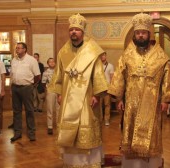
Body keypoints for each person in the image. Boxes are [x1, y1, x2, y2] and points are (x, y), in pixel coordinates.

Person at [107, 13, 170, 168]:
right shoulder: (127, 55)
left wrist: (166, 100)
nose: (141, 35)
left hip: (152, 104)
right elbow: (119, 76)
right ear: (135, 34)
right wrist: (119, 99)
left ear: (149, 34)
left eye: (143, 32)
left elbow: (167, 78)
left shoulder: (160, 56)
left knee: (151, 135)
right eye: (138, 33)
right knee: (130, 132)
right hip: (131, 105)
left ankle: (151, 165)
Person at [48, 13, 108, 167]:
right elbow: (58, 75)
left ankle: (90, 163)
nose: (73, 32)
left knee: (86, 129)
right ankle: (71, 163)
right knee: (70, 131)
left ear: (82, 32)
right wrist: (60, 93)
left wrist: (97, 94)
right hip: (68, 99)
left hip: (87, 98)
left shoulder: (92, 51)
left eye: (77, 30)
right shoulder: (63, 52)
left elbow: (99, 75)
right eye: (71, 30)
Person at [10, 42, 41, 142]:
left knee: (29, 110)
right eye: (16, 48)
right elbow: (12, 74)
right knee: (16, 111)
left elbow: (38, 76)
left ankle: (31, 133)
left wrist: (31, 86)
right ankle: (17, 132)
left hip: (27, 88)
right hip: (15, 88)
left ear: (24, 49)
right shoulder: (14, 60)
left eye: (19, 48)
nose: (17, 49)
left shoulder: (31, 60)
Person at [42, 58, 59, 135]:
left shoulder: (58, 71)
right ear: (47, 63)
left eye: (53, 61)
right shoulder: (45, 72)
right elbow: (43, 82)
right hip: (50, 91)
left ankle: (59, 125)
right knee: (50, 109)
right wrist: (46, 90)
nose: (52, 63)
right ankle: (50, 126)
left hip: (58, 91)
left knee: (59, 109)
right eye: (50, 62)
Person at [100, 52, 114, 126]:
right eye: (101, 55)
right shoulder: (97, 66)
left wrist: (111, 89)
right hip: (99, 89)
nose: (102, 57)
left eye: (103, 55)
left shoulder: (110, 66)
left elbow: (112, 78)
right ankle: (99, 119)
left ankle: (106, 120)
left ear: (106, 56)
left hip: (107, 88)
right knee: (99, 105)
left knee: (107, 105)